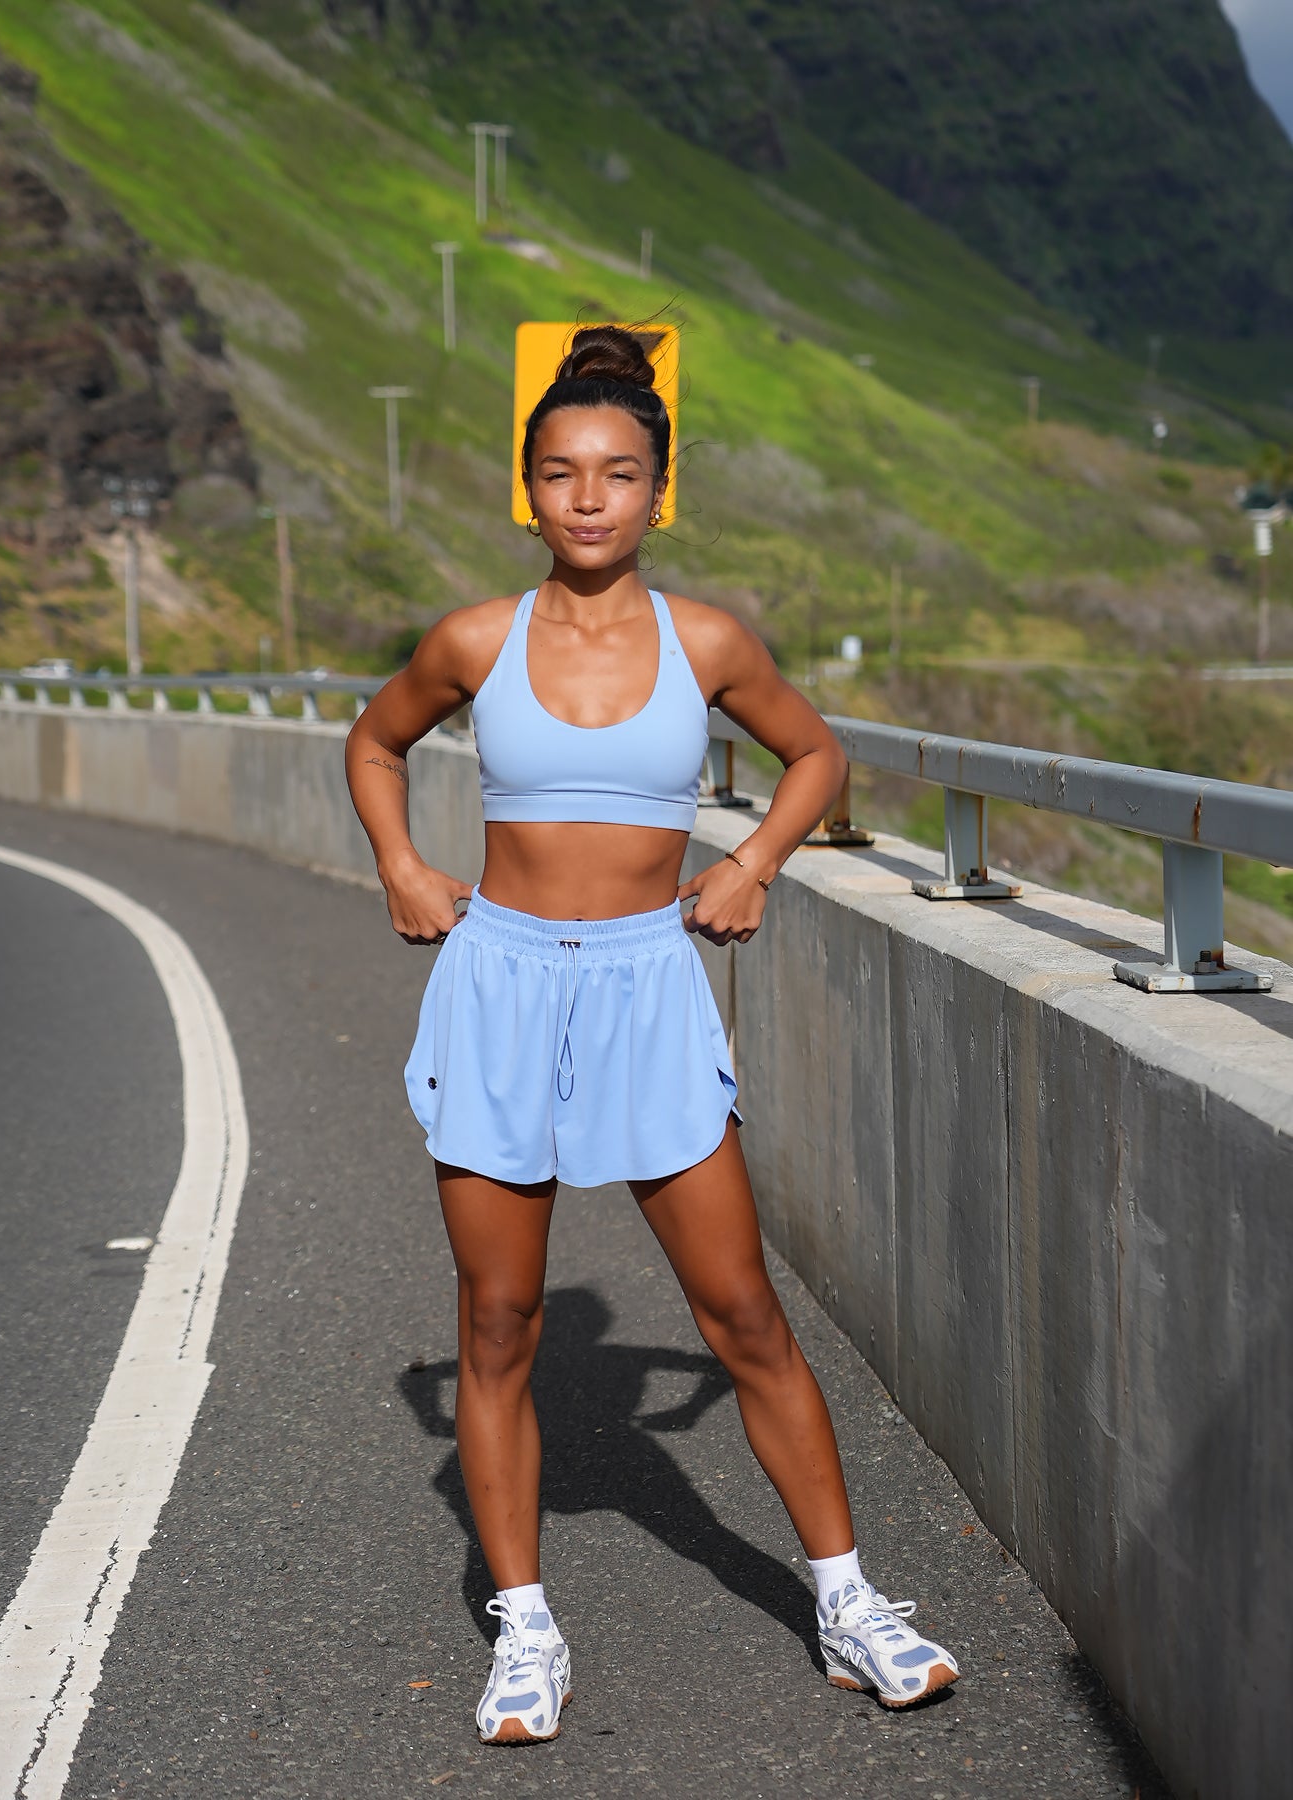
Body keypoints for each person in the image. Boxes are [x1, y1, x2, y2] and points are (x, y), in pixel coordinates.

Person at [344, 325, 959, 1745]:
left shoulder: (713, 642)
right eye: (559, 473)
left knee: (741, 1313)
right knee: (497, 1326)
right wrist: (401, 862)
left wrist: (748, 868)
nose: (589, 497)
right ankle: (527, 1630)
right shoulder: (473, 641)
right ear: (529, 491)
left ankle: (849, 1602)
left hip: (647, 989)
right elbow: (374, 743)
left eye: (619, 473)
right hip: (500, 984)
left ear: (659, 493)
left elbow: (818, 754)